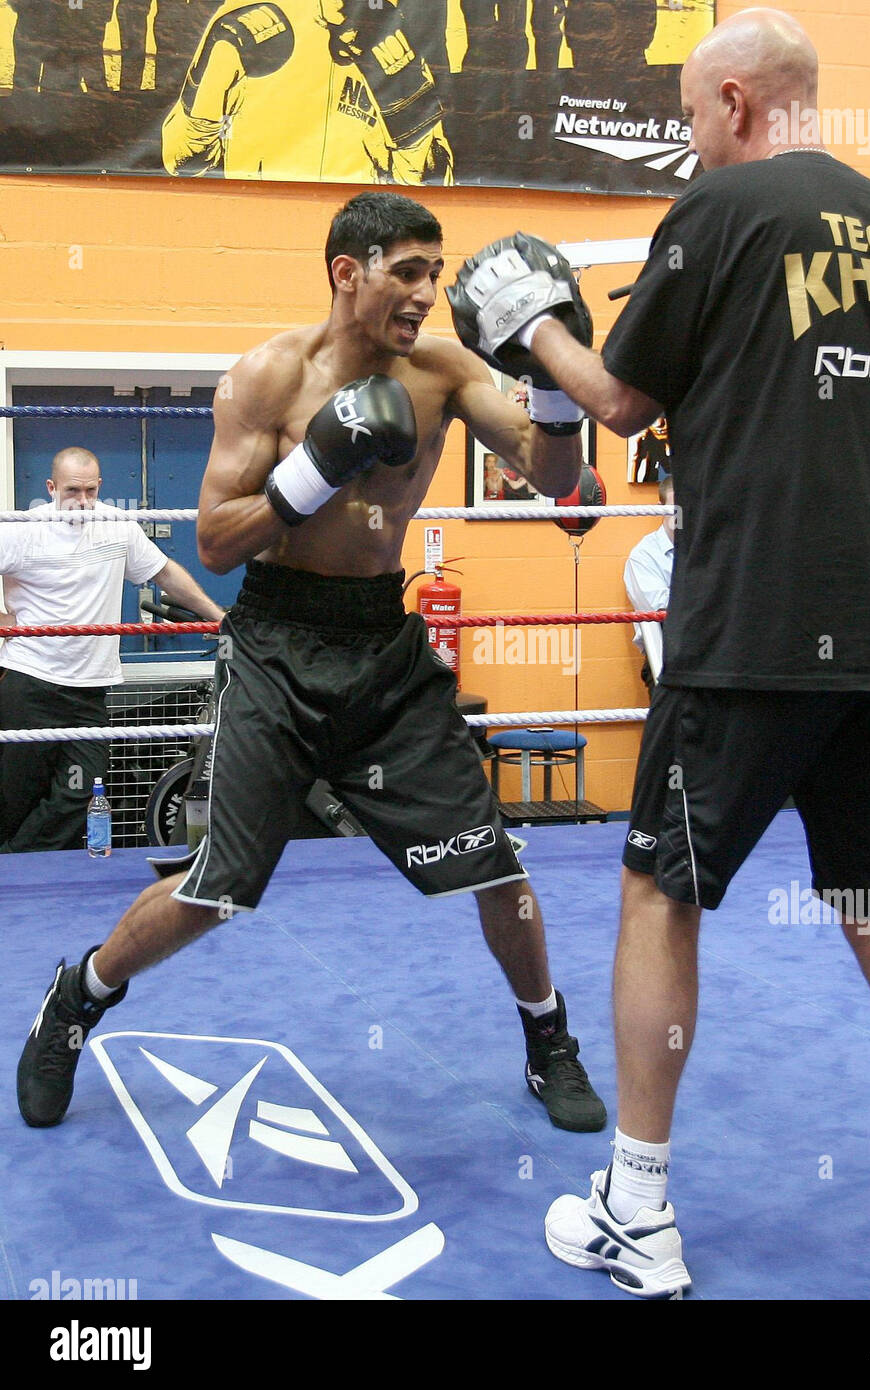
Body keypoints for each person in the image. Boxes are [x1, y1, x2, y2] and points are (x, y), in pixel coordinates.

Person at [447, 8, 870, 1301]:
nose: (686, 143)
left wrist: (534, 322)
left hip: (756, 622)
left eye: (691, 119)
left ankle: (636, 1214)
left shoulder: (719, 213)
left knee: (661, 893)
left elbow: (616, 401)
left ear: (734, 106)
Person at [17, 192, 606, 1147]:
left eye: (436, 273)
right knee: (220, 885)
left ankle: (549, 1039)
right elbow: (212, 541)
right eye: (407, 272)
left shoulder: (446, 371)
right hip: (276, 645)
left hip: (381, 644)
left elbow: (558, 487)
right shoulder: (267, 378)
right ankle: (77, 997)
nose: (427, 293)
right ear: (348, 271)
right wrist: (315, 469)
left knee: (494, 865)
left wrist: (548, 374)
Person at [0, 447, 224, 854]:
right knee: (12, 798)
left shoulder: (117, 526)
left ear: (100, 486)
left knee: (82, 791)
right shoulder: (21, 529)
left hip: (90, 690)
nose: (82, 501)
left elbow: (164, 573)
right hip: (30, 683)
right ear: (51, 487)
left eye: (89, 490)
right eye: (72, 490)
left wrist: (216, 616)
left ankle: (18, 862)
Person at [161, 0, 453, 185]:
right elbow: (182, 162)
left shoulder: (394, 32)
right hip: (257, 225)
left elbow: (427, 186)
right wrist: (212, 80)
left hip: (355, 240)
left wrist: (413, 124)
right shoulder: (253, 17)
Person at [623, 472, 674, 690]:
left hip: (712, 655)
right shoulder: (645, 555)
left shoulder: (711, 549)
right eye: (676, 506)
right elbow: (661, 609)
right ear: (660, 508)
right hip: (664, 660)